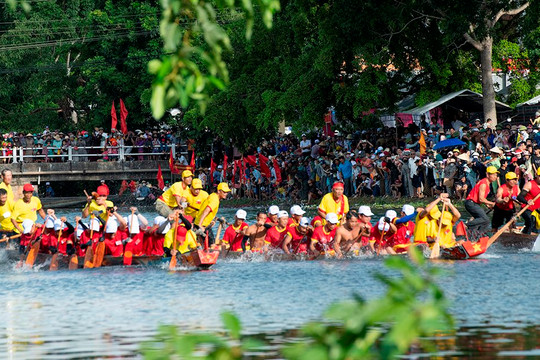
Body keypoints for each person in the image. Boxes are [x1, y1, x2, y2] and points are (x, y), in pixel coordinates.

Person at [465, 166, 498, 234]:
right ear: (487, 174)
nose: (495, 176)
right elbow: (481, 199)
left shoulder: (487, 183)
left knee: (485, 221)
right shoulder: (483, 184)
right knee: (485, 219)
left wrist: (488, 205)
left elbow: (482, 198)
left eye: (496, 174)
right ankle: (466, 225)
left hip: (474, 203)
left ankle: (476, 235)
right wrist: (492, 203)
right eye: (493, 174)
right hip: (471, 203)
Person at [517, 168, 540, 234]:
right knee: (531, 221)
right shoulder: (530, 184)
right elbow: (520, 197)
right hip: (527, 209)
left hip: (537, 211)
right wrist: (527, 202)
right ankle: (529, 239)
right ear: (536, 175)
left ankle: (525, 233)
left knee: (534, 226)